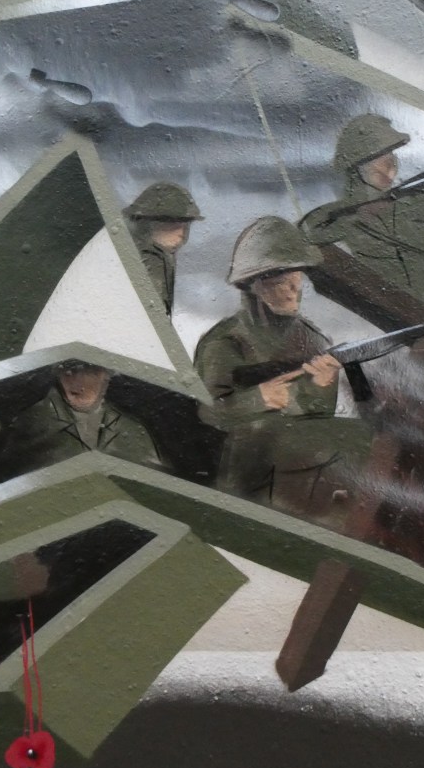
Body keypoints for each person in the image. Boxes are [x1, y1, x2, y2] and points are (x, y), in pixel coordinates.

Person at [194, 216, 372, 529]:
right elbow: (207, 411)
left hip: (303, 474)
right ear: (254, 284)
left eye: (297, 277)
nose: (293, 288)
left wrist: (320, 384)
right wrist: (258, 399)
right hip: (249, 479)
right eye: (281, 280)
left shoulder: (314, 340)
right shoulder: (225, 342)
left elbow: (317, 416)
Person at [300, 114, 424, 305]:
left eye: (391, 155)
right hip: (395, 308)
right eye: (379, 157)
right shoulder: (342, 213)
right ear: (357, 166)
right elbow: (302, 235)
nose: (389, 165)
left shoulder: (406, 203)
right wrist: (358, 215)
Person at [0, 360, 161, 482]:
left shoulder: (131, 430)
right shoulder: (31, 422)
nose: (79, 382)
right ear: (58, 372)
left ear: (106, 375)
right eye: (69, 369)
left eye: (90, 371)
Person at [124, 182, 203, 317]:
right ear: (149, 225)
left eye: (186, 225)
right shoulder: (146, 260)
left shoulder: (161, 255)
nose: (182, 233)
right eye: (175, 225)